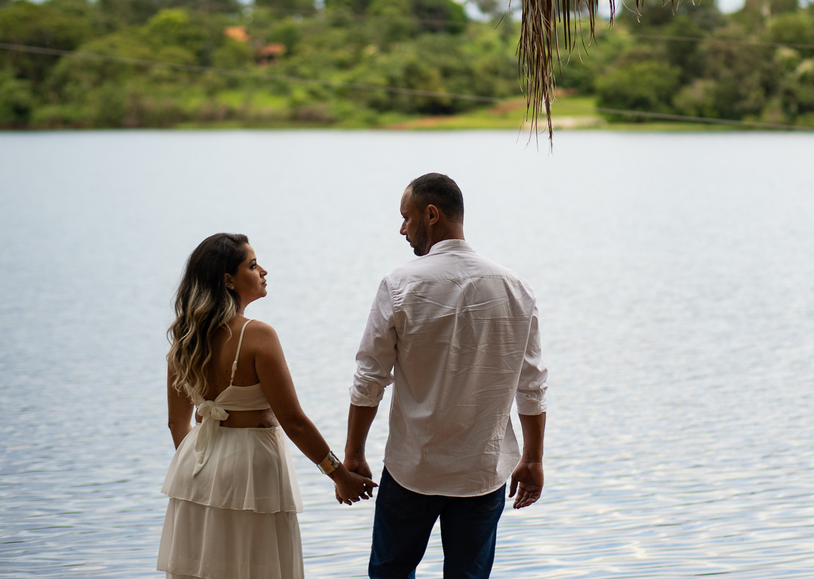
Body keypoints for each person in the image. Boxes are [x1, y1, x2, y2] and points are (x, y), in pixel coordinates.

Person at [344, 173, 549, 579]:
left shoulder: (400, 284)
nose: (402, 229)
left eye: (406, 217)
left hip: (412, 469)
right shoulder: (516, 288)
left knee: (389, 574)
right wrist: (533, 458)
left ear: (431, 214)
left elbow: (369, 379)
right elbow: (533, 386)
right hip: (482, 472)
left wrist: (353, 454)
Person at [159, 233, 375, 579]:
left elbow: (176, 425)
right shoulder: (258, 335)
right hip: (251, 472)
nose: (264, 271)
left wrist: (202, 474)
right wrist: (339, 475)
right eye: (253, 265)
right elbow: (293, 421)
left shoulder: (184, 341)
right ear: (229, 280)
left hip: (195, 473)